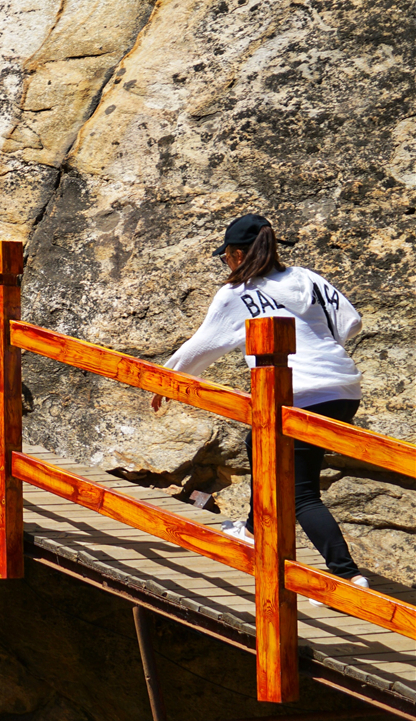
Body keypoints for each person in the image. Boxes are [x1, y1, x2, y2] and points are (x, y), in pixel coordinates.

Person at [152, 215, 369, 587]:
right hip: (343, 392)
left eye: (226, 257)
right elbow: (351, 322)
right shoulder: (306, 278)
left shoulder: (237, 293)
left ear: (236, 254)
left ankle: (347, 577)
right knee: (260, 444)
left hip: (297, 393)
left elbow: (203, 345)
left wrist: (166, 380)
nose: (226, 263)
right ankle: (253, 527)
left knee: (301, 495)